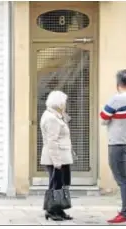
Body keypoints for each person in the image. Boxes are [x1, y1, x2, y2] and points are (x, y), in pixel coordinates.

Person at [100, 69, 126, 224]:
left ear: (118, 83)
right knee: (125, 178)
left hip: (117, 143)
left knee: (122, 180)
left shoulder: (116, 100)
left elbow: (103, 117)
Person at [40, 90, 74, 221]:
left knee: (61, 184)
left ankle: (59, 210)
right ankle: (52, 210)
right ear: (59, 103)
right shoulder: (51, 118)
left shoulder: (56, 116)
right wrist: (57, 161)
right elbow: (52, 141)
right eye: (64, 102)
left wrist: (62, 115)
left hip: (62, 156)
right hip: (56, 157)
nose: (65, 104)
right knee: (55, 184)